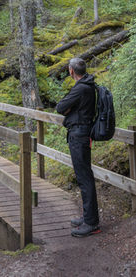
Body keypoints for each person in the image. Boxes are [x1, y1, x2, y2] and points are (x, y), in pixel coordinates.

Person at [56, 57, 101, 237]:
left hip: (79, 135)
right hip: (81, 134)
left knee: (85, 179)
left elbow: (60, 107)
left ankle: (91, 223)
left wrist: (69, 110)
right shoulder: (88, 86)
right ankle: (88, 217)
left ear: (71, 71)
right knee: (84, 177)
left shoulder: (81, 88)